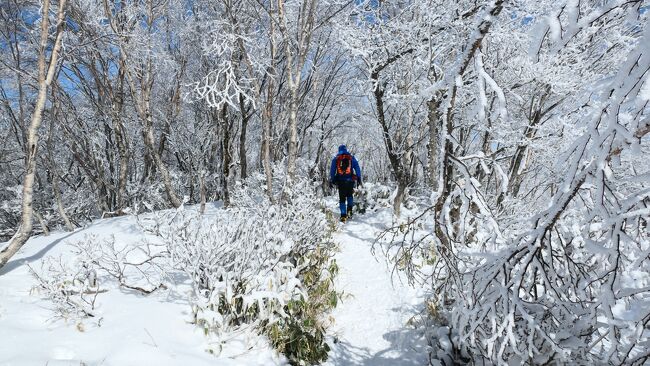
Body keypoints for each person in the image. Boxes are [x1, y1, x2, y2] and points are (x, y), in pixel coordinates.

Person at [329, 145, 362, 222]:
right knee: (350, 195)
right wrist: (359, 177)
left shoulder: (336, 159)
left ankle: (343, 216)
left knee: (342, 199)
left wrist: (333, 179)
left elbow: (332, 170)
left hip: (341, 181)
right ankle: (349, 211)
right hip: (350, 181)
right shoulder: (351, 157)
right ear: (346, 149)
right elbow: (357, 167)